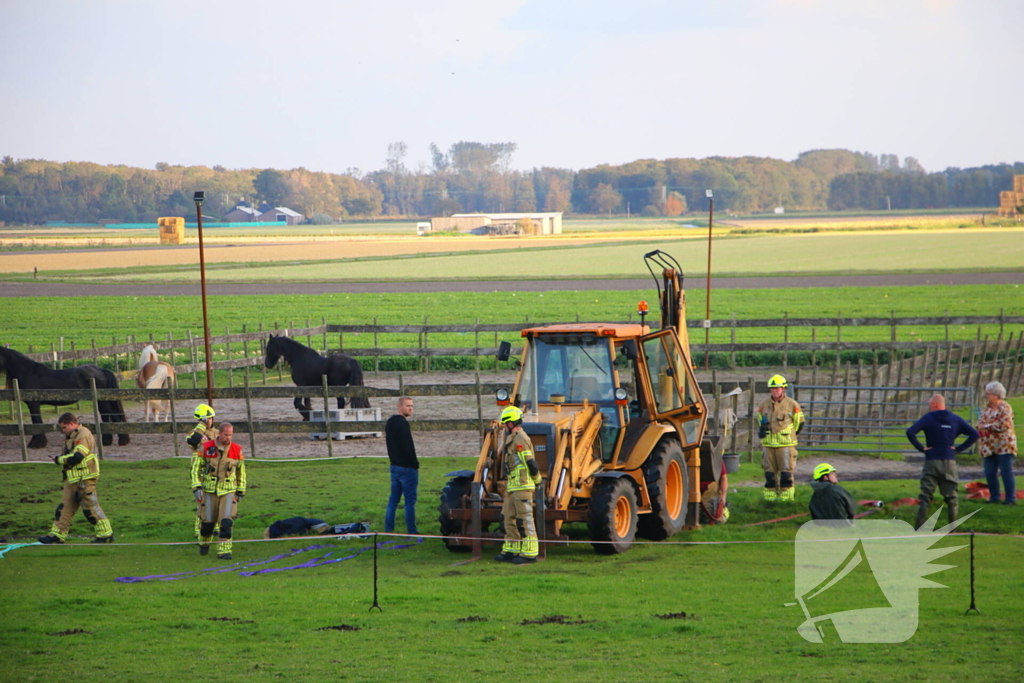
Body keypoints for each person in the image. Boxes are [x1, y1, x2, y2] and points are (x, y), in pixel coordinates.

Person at [38, 413, 114, 544]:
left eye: (64, 427)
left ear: (72, 424)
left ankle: (105, 534)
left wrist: (59, 460)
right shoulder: (73, 436)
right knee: (64, 508)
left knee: (90, 508)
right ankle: (57, 535)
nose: (63, 431)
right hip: (73, 478)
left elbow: (78, 457)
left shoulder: (83, 435)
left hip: (84, 478)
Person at [906, 394, 978, 529]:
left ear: (935, 404)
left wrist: (921, 448)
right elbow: (975, 434)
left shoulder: (928, 418)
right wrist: (959, 448)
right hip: (949, 460)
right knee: (952, 497)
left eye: (929, 404)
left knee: (925, 497)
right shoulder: (955, 419)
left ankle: (919, 527)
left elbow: (910, 432)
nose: (929, 407)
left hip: (932, 460)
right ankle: (953, 528)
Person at [494, 405, 542, 565]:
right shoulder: (512, 438)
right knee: (508, 518)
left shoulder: (521, 439)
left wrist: (537, 481)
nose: (504, 427)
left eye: (505, 423)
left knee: (525, 519)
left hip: (523, 486)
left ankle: (530, 553)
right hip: (512, 486)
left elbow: (531, 463)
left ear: (511, 422)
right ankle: (511, 550)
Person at [196, 422, 246, 560]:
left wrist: (241, 489)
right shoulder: (206, 447)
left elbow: (241, 471)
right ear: (219, 434)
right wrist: (196, 486)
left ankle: (224, 552)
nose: (228, 437)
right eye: (226, 434)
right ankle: (204, 543)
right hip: (209, 491)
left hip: (228, 491)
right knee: (207, 523)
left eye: (230, 435)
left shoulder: (237, 449)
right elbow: (196, 468)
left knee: (226, 522)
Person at [757, 374, 804, 502]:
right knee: (769, 473)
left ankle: (786, 499)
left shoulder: (792, 404)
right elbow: (760, 421)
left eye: (777, 388)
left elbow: (799, 423)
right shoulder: (763, 404)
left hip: (785, 445)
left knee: (786, 473)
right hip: (768, 445)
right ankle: (770, 499)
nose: (774, 391)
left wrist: (789, 436)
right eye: (772, 388)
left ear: (783, 389)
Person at [977, 381, 1017, 505]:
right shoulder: (987, 409)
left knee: (1006, 472)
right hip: (988, 446)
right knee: (989, 472)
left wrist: (986, 426)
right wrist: (981, 427)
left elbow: (1004, 425)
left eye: (988, 394)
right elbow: (980, 423)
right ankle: (994, 497)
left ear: (996, 394)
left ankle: (1010, 499)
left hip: (1004, 445)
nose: (986, 396)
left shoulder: (1006, 408)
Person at [384, 396, 419, 535]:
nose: (410, 408)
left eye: (411, 406)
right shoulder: (403, 424)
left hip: (394, 466)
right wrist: (414, 465)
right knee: (409, 502)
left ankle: (388, 529)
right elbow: (408, 447)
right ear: (399, 406)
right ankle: (412, 530)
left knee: (393, 500)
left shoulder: (390, 422)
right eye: (407, 406)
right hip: (406, 468)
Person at [187, 404, 218, 540]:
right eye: (208, 418)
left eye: (211, 418)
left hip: (215, 471)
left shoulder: (217, 433)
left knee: (217, 499)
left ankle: (215, 527)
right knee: (202, 501)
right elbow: (193, 442)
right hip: (199, 472)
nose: (210, 421)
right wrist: (201, 426)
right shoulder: (194, 433)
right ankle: (198, 528)